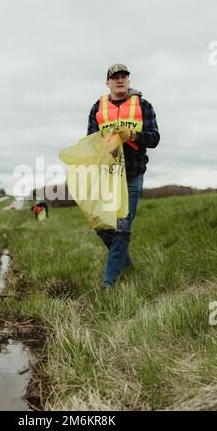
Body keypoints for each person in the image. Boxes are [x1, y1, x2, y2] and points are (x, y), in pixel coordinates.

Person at [87, 63, 160, 289]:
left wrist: (134, 135)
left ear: (128, 81)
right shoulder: (97, 108)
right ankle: (126, 265)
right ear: (107, 82)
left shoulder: (144, 105)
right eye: (115, 77)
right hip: (108, 175)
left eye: (124, 77)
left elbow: (154, 138)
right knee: (101, 227)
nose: (120, 80)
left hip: (133, 173)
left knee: (122, 226)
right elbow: (90, 140)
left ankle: (109, 283)